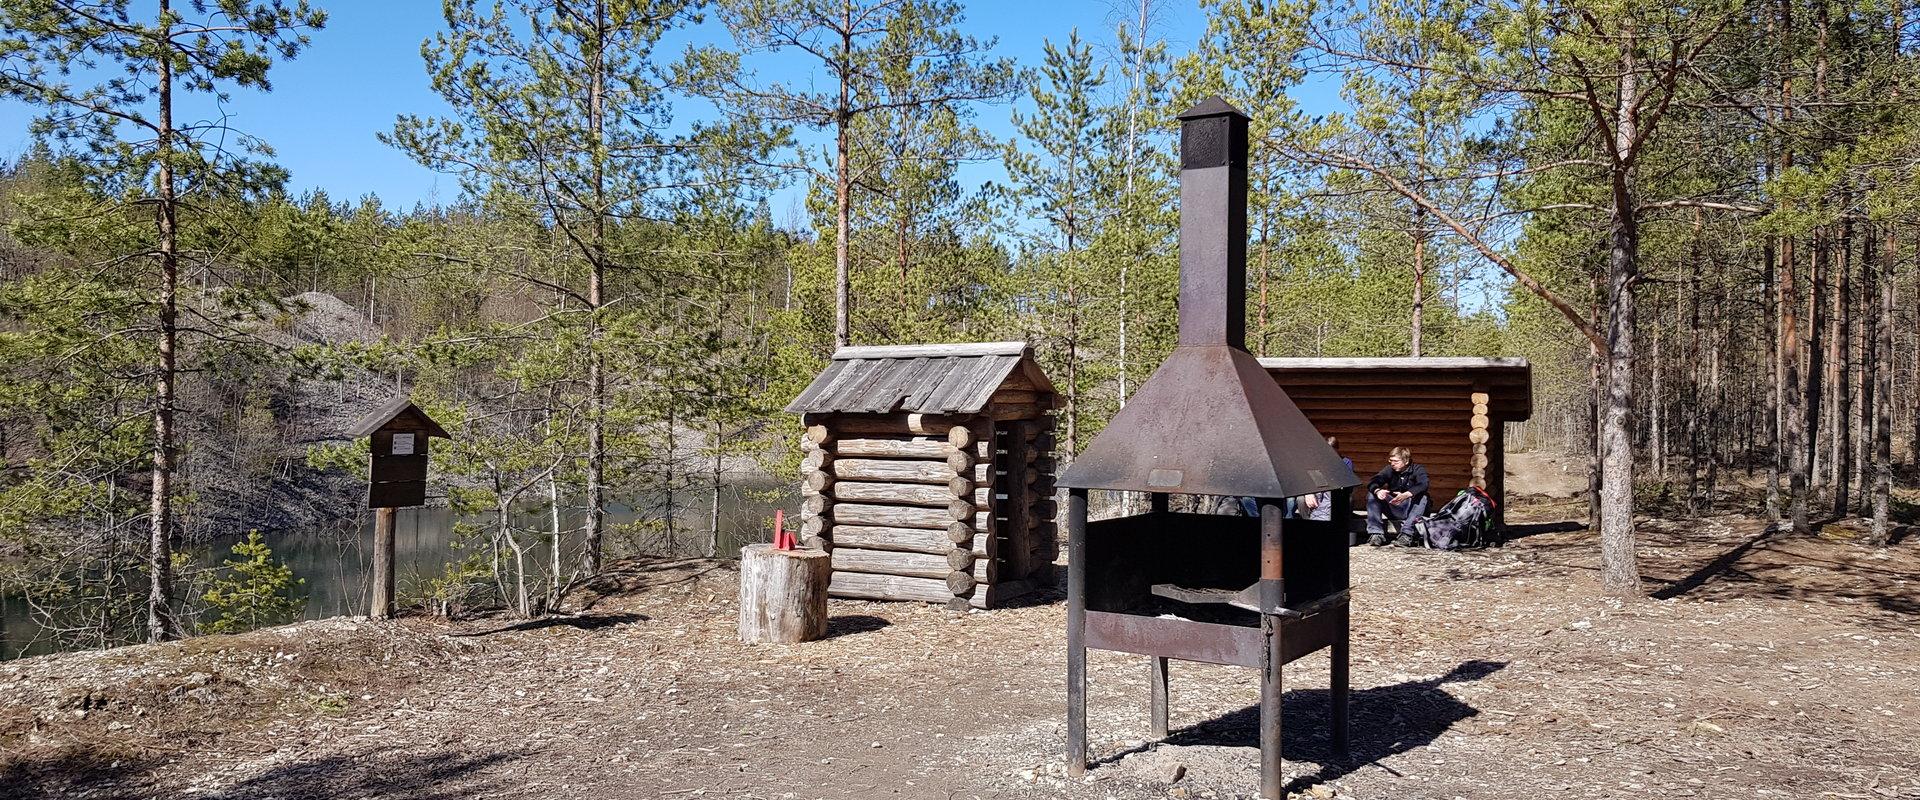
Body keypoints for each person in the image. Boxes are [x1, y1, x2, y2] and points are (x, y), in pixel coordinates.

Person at [1365, 446, 1429, 546]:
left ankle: (1406, 535)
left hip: (1412, 510)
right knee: (1372, 494)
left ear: (1406, 461)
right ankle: (1376, 534)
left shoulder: (1417, 469)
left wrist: (1406, 494)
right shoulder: (1389, 469)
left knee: (1423, 497)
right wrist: (1378, 491)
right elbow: (1373, 481)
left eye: (1396, 461)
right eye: (1391, 461)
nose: (1392, 464)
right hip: (1394, 507)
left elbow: (1424, 484)